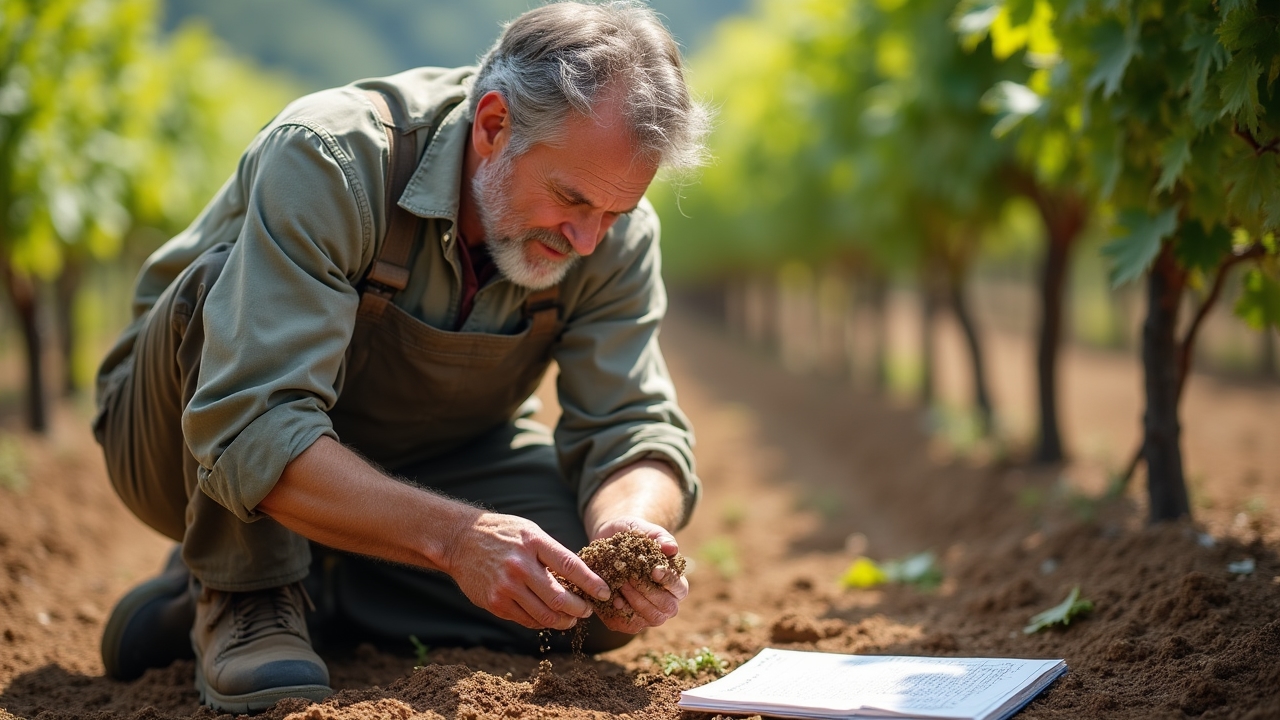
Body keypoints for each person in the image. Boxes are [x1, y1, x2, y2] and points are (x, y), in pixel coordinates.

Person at [92, 1, 710, 712]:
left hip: (426, 455)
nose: (588, 241)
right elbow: (253, 418)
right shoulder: (332, 157)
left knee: (577, 592)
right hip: (179, 439)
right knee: (220, 288)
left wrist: (629, 527)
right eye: (570, 199)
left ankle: (323, 583)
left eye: (614, 214)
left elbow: (632, 421)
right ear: (493, 125)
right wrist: (454, 538)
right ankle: (245, 587)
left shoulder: (605, 227)